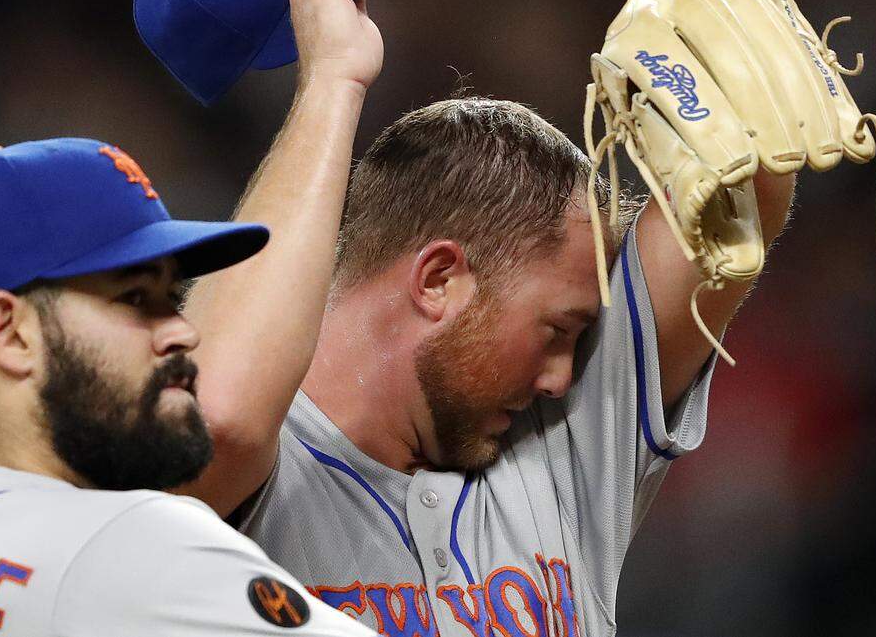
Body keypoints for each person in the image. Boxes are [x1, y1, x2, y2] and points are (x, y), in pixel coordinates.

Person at [183, 96, 797, 636]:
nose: (562, 375)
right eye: (557, 331)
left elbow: (745, 190)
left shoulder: (565, 440)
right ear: (440, 280)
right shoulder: (244, 470)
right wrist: (332, 82)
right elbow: (220, 417)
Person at [0, 0, 383, 635]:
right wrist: (334, 78)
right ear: (8, 332)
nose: (184, 329)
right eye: (134, 300)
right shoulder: (116, 549)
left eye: (172, 297)